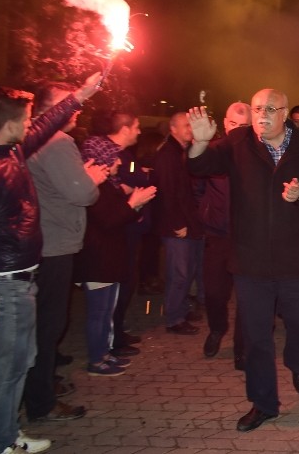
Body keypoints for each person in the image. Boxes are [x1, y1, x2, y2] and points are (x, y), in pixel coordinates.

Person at [0, 73, 101, 454]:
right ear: (12, 122)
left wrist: (79, 97)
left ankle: (9, 436)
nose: (32, 124)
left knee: (21, 361)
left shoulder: (10, 149)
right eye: (28, 118)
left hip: (22, 279)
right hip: (3, 284)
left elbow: (46, 127)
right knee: (6, 368)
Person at [186, 89, 299, 432]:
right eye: (257, 109)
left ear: (285, 113)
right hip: (251, 260)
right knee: (256, 336)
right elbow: (200, 165)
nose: (263, 114)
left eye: (271, 108)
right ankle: (264, 403)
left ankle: (297, 361)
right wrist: (198, 143)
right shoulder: (238, 143)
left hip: (296, 258)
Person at [22, 82, 108, 424]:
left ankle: (41, 383)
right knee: (48, 325)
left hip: (41, 240)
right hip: (54, 243)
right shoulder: (56, 142)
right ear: (49, 109)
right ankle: (40, 400)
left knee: (42, 324)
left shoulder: (33, 139)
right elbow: (83, 193)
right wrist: (91, 177)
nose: (76, 109)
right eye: (67, 103)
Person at [74, 136, 156, 376]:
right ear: (102, 160)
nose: (119, 162)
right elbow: (108, 219)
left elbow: (117, 216)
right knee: (98, 312)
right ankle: (97, 359)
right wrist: (132, 204)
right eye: (113, 158)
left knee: (106, 311)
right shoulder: (94, 188)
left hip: (108, 258)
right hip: (98, 259)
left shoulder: (108, 184)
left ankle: (105, 353)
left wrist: (134, 205)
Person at [198, 102, 250, 361]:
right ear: (225, 123)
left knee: (248, 296)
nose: (237, 130)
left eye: (243, 126)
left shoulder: (259, 154)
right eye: (233, 124)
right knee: (214, 291)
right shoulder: (212, 151)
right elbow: (194, 186)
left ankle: (243, 347)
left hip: (247, 238)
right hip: (217, 234)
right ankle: (217, 329)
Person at [154, 112, 206, 335]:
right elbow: (167, 191)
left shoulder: (182, 152)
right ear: (173, 128)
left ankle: (182, 309)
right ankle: (174, 318)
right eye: (185, 125)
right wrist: (178, 223)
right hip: (177, 225)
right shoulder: (168, 154)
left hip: (190, 222)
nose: (189, 129)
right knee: (180, 273)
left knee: (189, 269)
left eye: (191, 125)